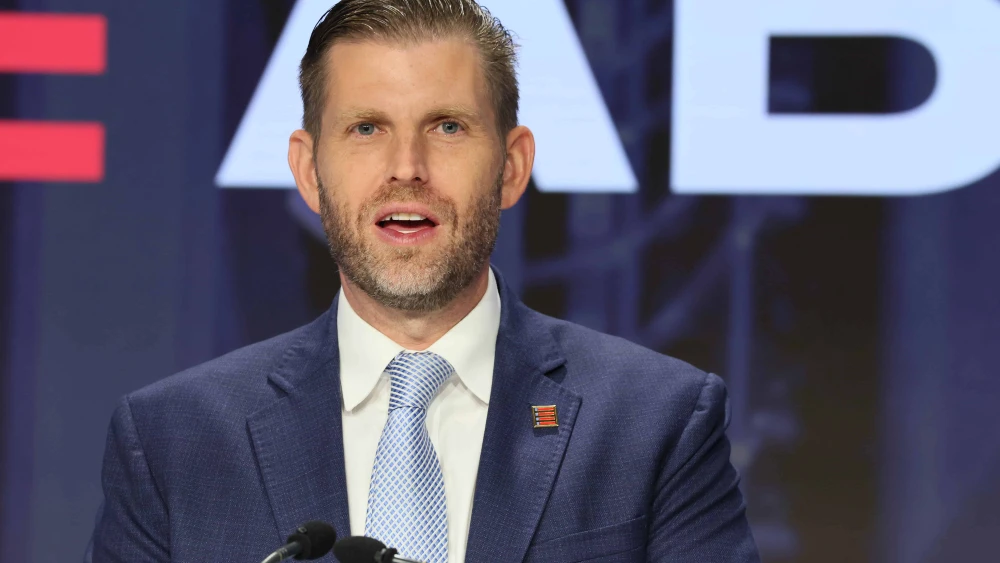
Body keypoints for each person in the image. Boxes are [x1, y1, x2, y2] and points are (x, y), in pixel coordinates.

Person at [86, 1, 759, 561]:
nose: (406, 167)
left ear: (513, 165)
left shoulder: (657, 423)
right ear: (309, 171)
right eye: (366, 127)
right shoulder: (173, 443)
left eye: (447, 126)